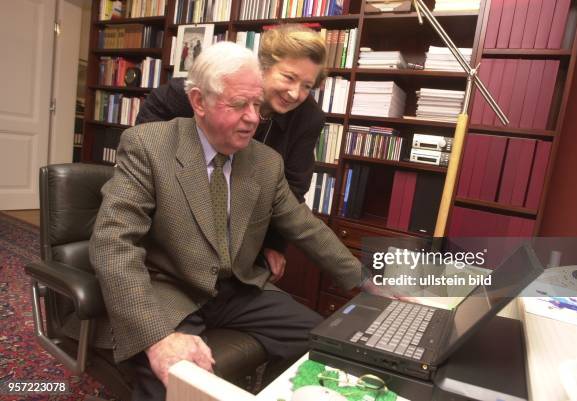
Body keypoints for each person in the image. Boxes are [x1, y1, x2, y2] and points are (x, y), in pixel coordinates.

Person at [90, 42, 370, 401]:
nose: (253, 117)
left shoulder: (266, 163)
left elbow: (305, 226)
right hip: (169, 286)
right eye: (239, 104)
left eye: (256, 104)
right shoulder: (148, 145)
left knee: (321, 343)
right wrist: (157, 337)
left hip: (236, 288)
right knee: (175, 379)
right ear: (198, 101)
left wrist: (365, 280)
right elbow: (113, 242)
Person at [136, 24, 327, 281]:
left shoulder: (308, 117)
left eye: (307, 86)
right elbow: (155, 113)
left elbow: (293, 189)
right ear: (264, 68)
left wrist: (274, 243)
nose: (295, 93)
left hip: (242, 225)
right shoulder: (214, 87)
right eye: (288, 78)